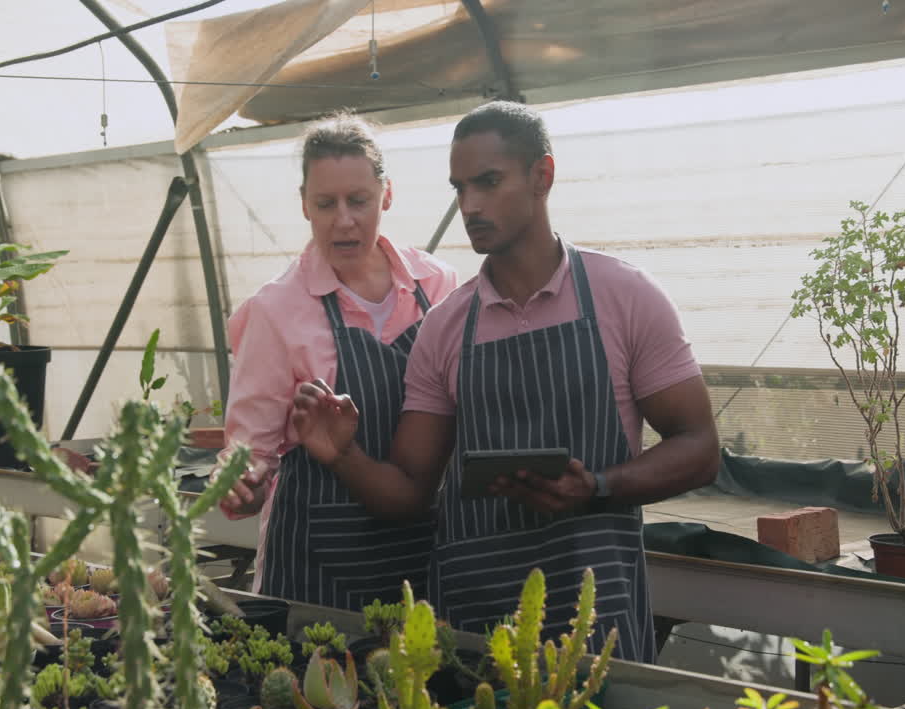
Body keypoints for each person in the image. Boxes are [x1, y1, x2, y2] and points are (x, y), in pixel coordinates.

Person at [289, 101, 719, 661]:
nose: (470, 206)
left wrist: (598, 488)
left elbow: (701, 448)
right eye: (459, 188)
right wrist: (341, 455)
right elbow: (411, 491)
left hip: (596, 616)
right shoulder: (444, 327)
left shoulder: (626, 297)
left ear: (543, 176)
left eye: (488, 182)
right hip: (475, 624)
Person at [216, 111, 458, 612]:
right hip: (316, 568)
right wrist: (243, 486)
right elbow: (248, 455)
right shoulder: (277, 309)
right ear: (304, 204)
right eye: (326, 203)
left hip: (422, 553)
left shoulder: (436, 287)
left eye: (359, 201)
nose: (343, 220)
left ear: (386, 195)